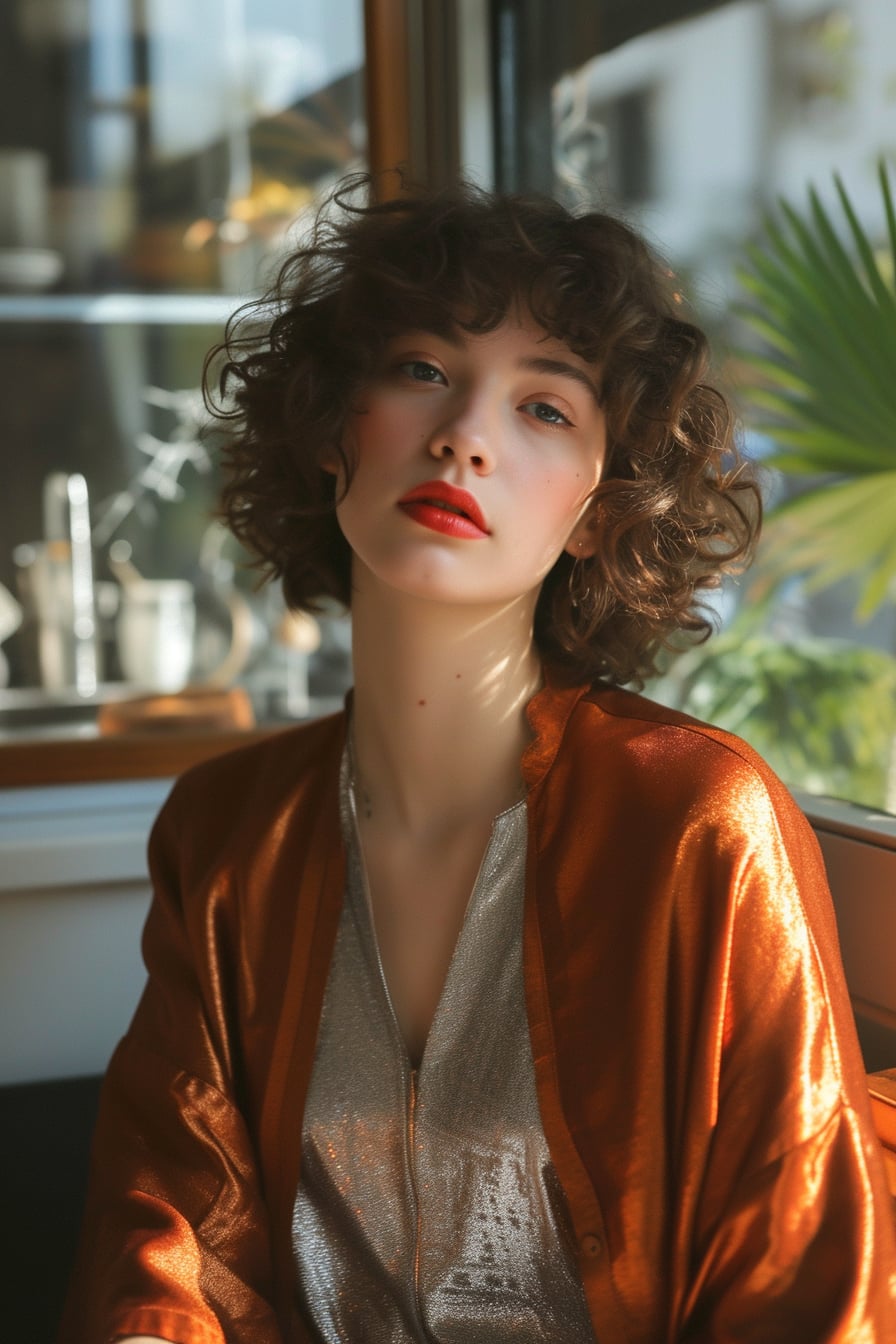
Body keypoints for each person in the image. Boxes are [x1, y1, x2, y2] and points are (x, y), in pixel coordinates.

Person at [60, 179, 896, 1344]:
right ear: (331, 422)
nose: (463, 434)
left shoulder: (699, 823)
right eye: (418, 370)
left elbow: (802, 1290)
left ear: (599, 507)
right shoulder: (225, 832)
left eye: (544, 409)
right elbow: (167, 1253)